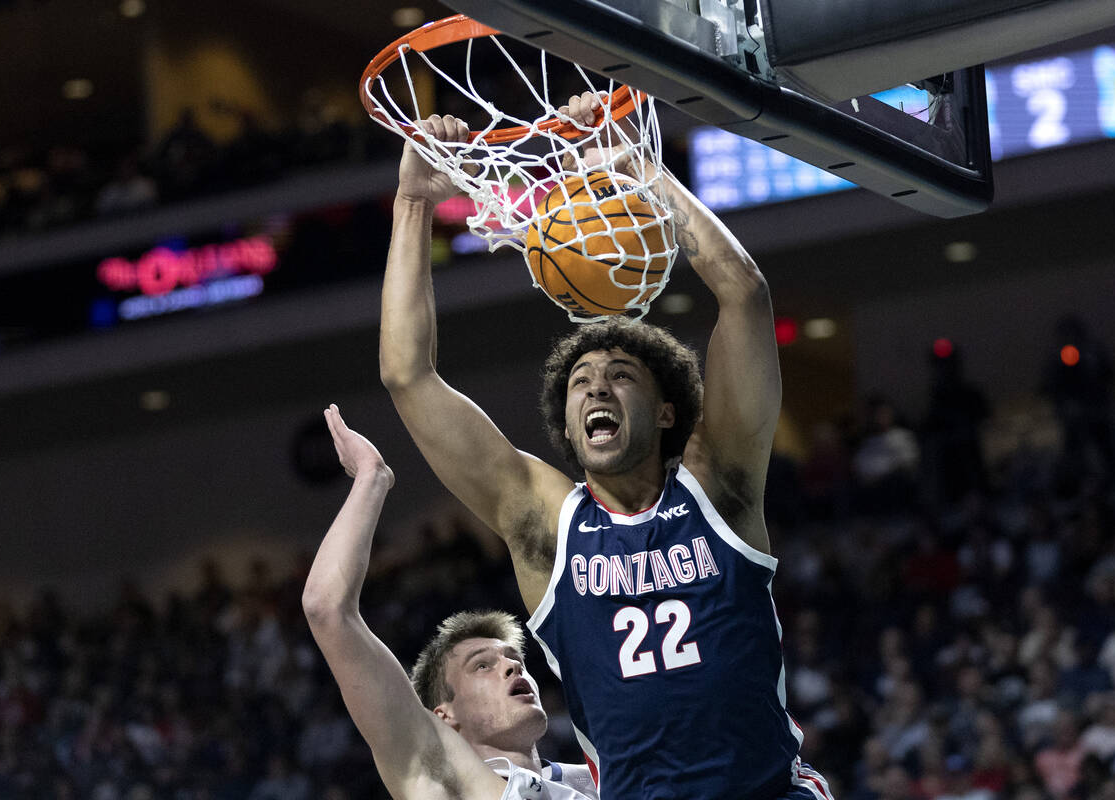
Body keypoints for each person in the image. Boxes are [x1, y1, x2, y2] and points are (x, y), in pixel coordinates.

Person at [379, 92, 832, 799]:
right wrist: (412, 205)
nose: (597, 389)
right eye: (581, 382)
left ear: (666, 411)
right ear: (566, 425)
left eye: (621, 377)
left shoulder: (720, 488)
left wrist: (647, 172)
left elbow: (743, 294)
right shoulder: (549, 527)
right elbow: (407, 375)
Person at [302, 404, 598, 800]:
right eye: (483, 666)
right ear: (445, 715)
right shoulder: (442, 776)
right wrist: (371, 478)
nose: (511, 666)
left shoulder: (600, 776)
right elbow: (326, 609)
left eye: (515, 659)